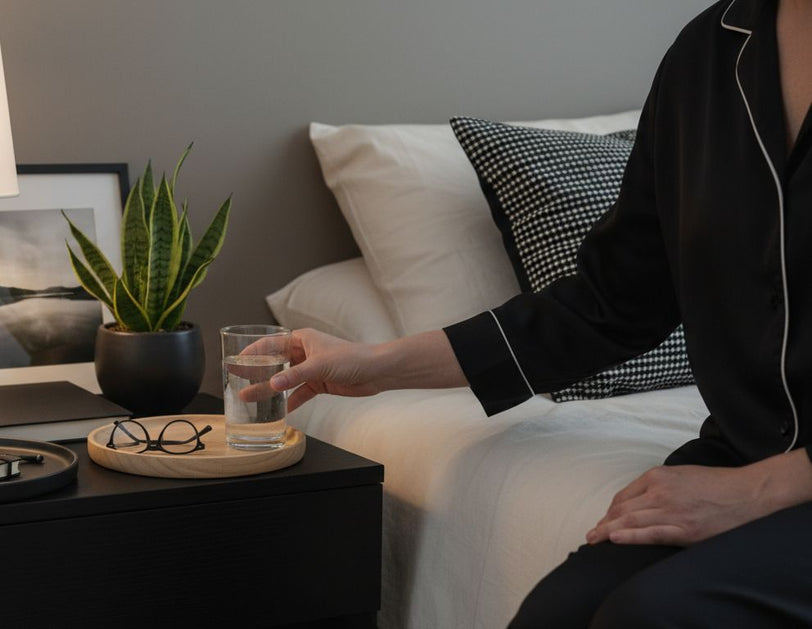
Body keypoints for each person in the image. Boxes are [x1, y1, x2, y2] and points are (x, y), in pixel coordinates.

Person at [266, 0, 812, 625]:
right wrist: (375, 363)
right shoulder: (707, 55)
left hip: (775, 481)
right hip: (744, 451)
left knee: (655, 614)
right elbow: (610, 303)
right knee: (559, 612)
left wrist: (763, 490)